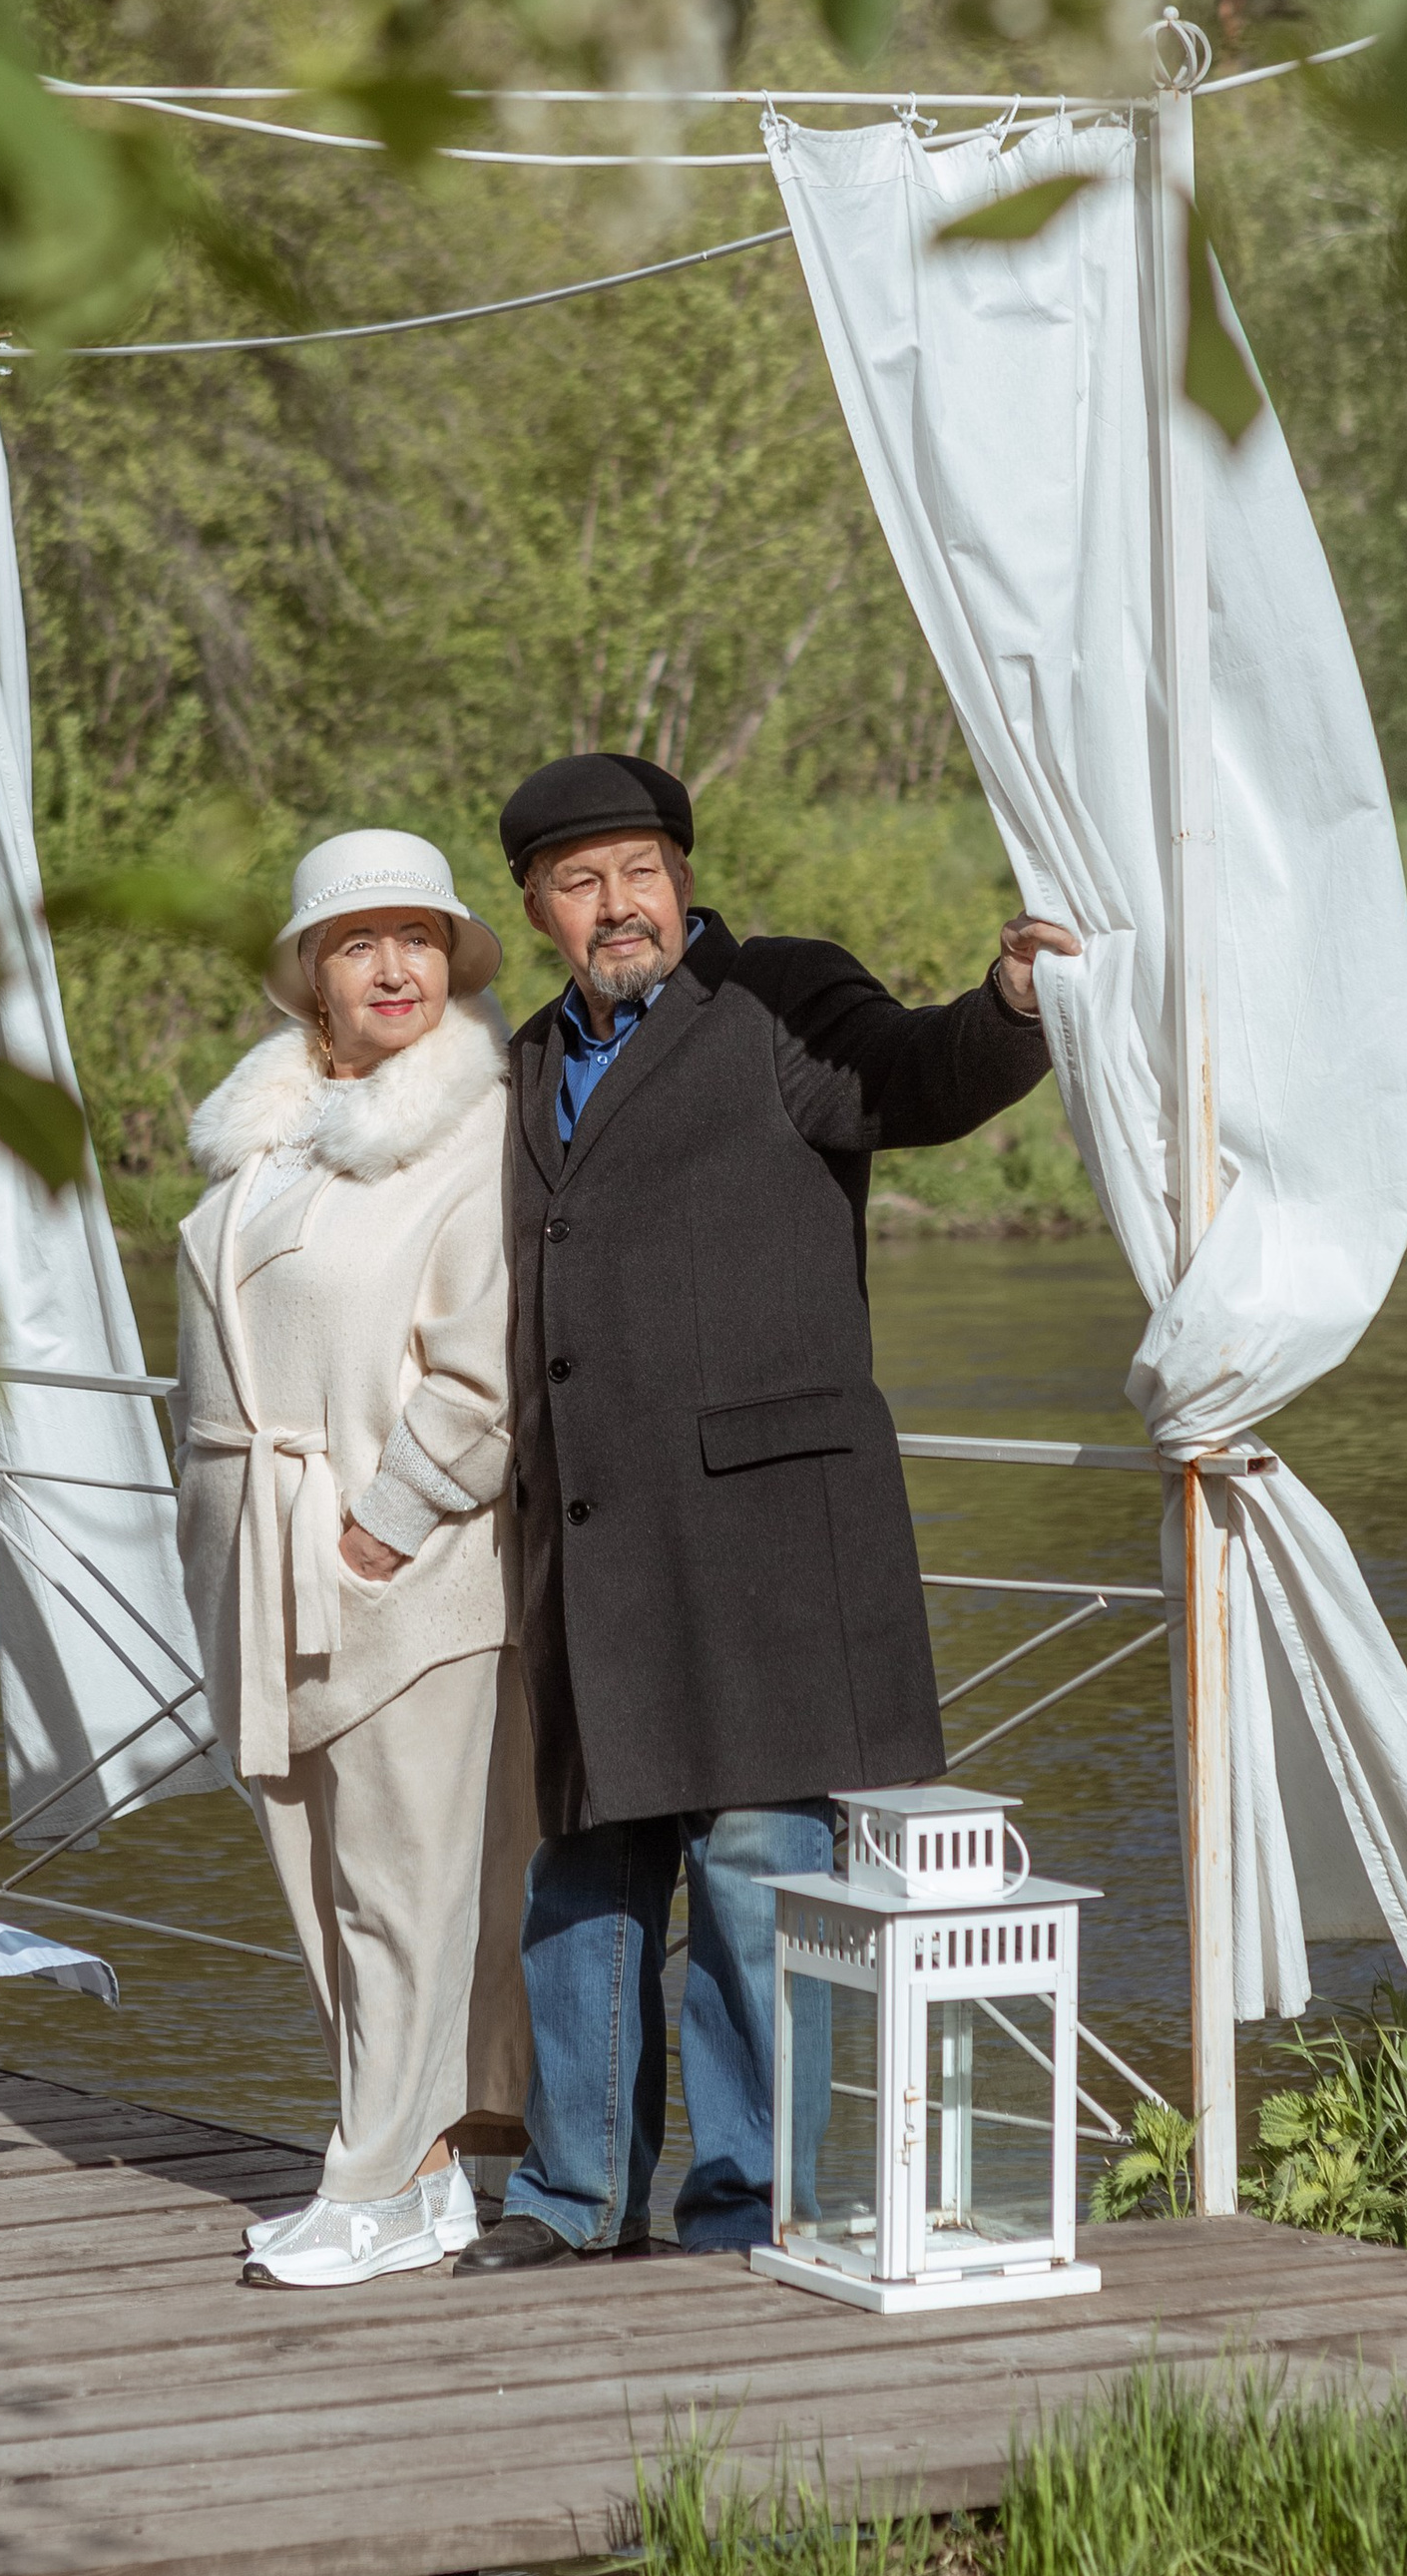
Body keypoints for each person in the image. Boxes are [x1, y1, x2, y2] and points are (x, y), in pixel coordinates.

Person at [452, 751, 1082, 2274]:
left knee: (751, 1879)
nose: (621, 905)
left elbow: (910, 1077)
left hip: (764, 1545)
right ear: (538, 907)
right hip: (595, 1545)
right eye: (582, 881)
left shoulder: (780, 999)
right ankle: (572, 2199)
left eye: (642, 870)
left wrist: (1008, 1004)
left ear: (682, 874)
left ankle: (743, 2209)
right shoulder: (525, 1058)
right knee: (586, 1879)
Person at [173, 829, 534, 2291]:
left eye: (420, 939)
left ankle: (378, 2186)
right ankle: (425, 2169)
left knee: (410, 1886)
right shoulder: (272, 1134)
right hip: (256, 1563)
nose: (394, 967)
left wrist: (388, 1521)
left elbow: (487, 1370)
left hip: (406, 1561)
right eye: (358, 941)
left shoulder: (472, 1135)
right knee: (319, 1878)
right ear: (311, 976)